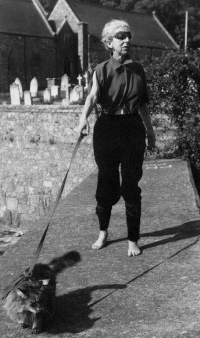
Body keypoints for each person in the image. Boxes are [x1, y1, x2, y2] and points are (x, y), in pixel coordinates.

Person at [76, 19, 156, 257]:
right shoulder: (101, 70)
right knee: (106, 183)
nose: (127, 40)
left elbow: (142, 105)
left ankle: (133, 239)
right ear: (109, 42)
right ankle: (103, 231)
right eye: (122, 36)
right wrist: (83, 120)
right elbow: (91, 97)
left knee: (131, 185)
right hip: (107, 128)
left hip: (132, 128)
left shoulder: (138, 69)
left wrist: (150, 131)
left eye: (129, 36)